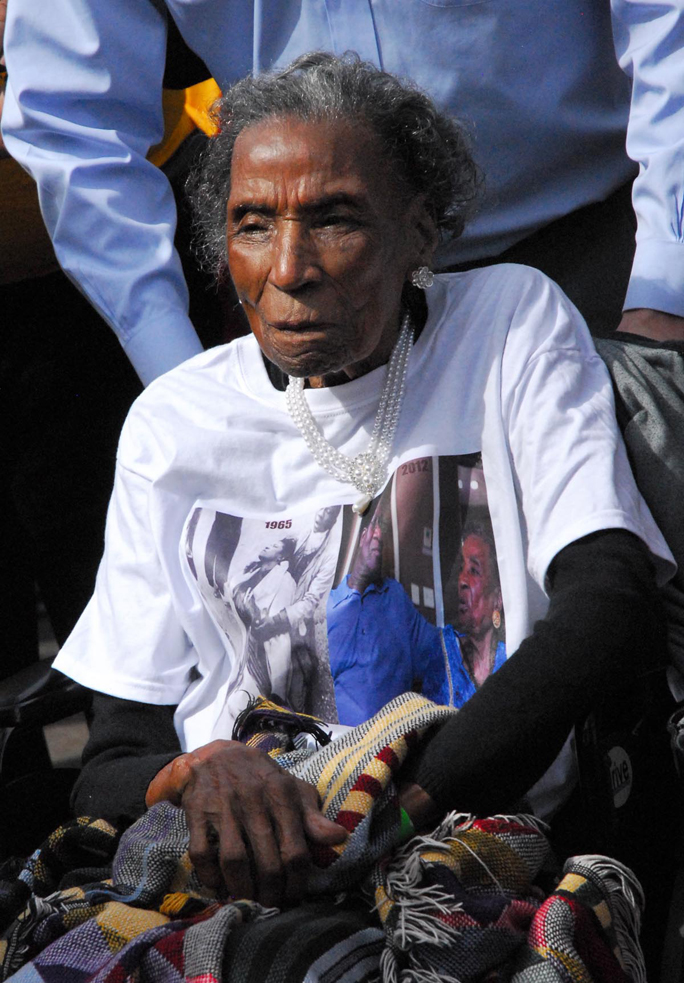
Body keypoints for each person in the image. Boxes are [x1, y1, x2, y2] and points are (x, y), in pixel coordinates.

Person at [52, 56, 673, 920]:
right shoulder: (174, 422)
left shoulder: (507, 325)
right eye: (253, 225)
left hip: (483, 852)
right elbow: (116, 749)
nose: (290, 267)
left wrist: (400, 813)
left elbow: (609, 600)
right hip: (246, 880)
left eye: (335, 219)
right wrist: (196, 775)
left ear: (421, 233)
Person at [2, 1, 684, 391]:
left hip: (603, 261)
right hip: (309, 309)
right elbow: (74, 122)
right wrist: (184, 375)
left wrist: (665, 286)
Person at [327, 511, 442, 725]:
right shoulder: (328, 605)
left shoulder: (395, 597)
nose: (379, 534)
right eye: (374, 526)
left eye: (385, 530)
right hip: (336, 744)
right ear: (362, 536)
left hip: (392, 742)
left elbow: (439, 649)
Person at [456, 523, 506, 688]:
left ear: (498, 599)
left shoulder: (512, 657)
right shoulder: (445, 653)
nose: (462, 580)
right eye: (461, 569)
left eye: (474, 571)